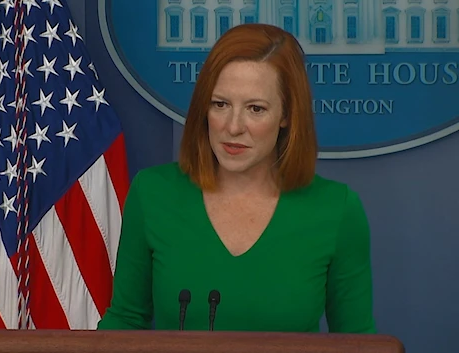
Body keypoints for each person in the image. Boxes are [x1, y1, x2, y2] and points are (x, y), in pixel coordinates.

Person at [96, 23, 376, 333]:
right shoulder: (152, 193)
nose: (233, 127)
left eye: (256, 108)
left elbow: (357, 342)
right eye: (220, 105)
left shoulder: (337, 209)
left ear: (286, 115)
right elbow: (124, 323)